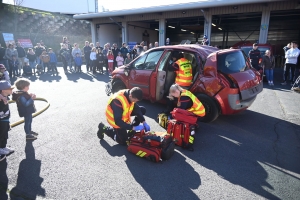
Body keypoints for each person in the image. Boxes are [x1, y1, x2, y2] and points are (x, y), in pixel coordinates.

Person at [0, 80, 15, 159]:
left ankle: (3, 147)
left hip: (6, 119)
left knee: (5, 134)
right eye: (10, 89)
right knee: (1, 135)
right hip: (1, 120)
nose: (12, 90)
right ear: (3, 90)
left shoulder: (6, 96)